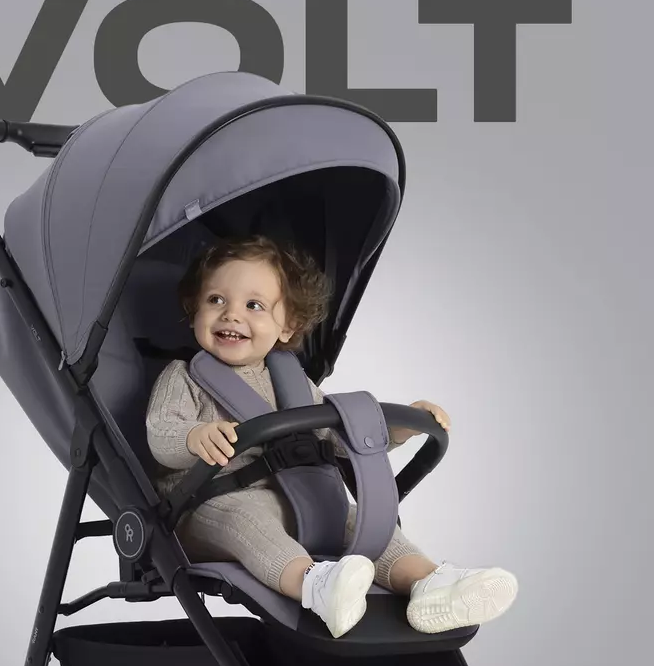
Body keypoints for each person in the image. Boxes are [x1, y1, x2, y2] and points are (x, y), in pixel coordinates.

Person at [146, 235, 518, 639]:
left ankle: (430, 583)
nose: (231, 314)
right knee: (247, 520)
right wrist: (193, 436)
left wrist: (398, 429)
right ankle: (316, 587)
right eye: (215, 300)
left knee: (359, 522)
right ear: (194, 311)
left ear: (288, 325)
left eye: (253, 305)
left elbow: (336, 438)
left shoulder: (292, 382)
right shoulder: (185, 377)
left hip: (297, 498)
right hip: (209, 505)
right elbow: (160, 434)